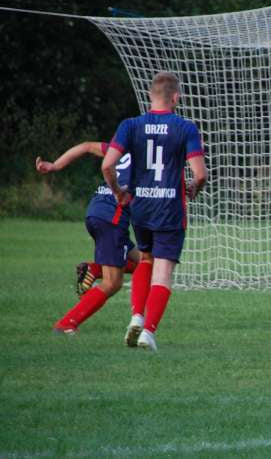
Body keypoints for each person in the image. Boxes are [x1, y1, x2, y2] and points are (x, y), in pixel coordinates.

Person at [102, 71, 207, 352]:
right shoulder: (186, 128)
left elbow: (106, 165)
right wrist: (195, 188)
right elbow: (199, 174)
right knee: (163, 272)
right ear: (176, 97)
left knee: (145, 258)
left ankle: (136, 315)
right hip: (170, 207)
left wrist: (118, 192)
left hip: (141, 207)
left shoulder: (130, 125)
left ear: (151, 95)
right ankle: (148, 331)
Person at [38, 142, 140, 334]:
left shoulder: (124, 147)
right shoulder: (149, 159)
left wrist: (55, 165)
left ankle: (93, 269)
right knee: (113, 283)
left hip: (96, 211)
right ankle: (66, 323)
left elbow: (86, 146)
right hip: (112, 218)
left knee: (144, 262)